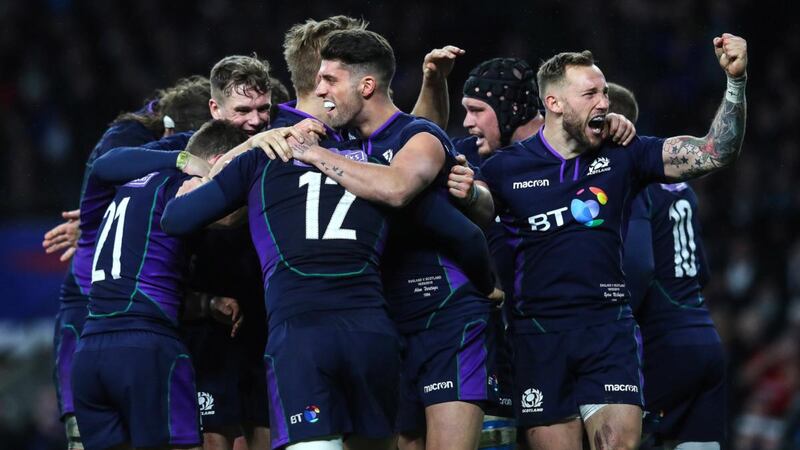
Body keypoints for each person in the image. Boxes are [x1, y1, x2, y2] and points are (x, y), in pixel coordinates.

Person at [479, 33, 747, 450]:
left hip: (608, 330)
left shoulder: (625, 154)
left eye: (604, 92)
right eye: (590, 93)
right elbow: (467, 216)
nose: (603, 102)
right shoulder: (501, 171)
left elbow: (715, 152)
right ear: (554, 104)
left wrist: (736, 82)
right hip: (538, 337)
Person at [270, 29, 497, 450]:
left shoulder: (421, 138)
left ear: (366, 86)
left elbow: (396, 188)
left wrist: (315, 155)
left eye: (330, 81)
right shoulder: (347, 143)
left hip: (445, 317)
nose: (320, 93)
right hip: (384, 322)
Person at [49, 75, 211, 450]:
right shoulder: (144, 154)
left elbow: (107, 172)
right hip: (130, 334)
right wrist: (187, 159)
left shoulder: (123, 167)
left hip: (90, 344)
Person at [70, 120, 248, 450]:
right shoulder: (182, 186)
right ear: (218, 160)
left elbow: (104, 166)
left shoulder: (123, 189)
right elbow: (222, 214)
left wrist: (207, 303)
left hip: (90, 352)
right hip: (148, 352)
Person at [613, 82, 727, 450]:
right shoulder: (680, 186)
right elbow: (701, 271)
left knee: (614, 435)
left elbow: (641, 266)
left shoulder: (634, 181)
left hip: (663, 344)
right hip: (705, 339)